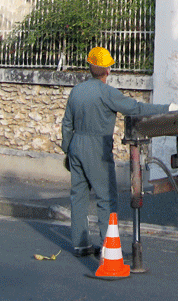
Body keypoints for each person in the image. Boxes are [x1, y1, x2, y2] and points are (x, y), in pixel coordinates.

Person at [61, 46, 171, 257]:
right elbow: (136, 108)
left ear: (90, 67)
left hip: (76, 145)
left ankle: (80, 244)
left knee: (78, 196)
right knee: (106, 199)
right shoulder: (107, 93)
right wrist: (167, 109)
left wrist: (68, 150)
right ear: (108, 70)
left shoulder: (76, 91)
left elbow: (67, 124)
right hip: (97, 147)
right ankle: (108, 246)